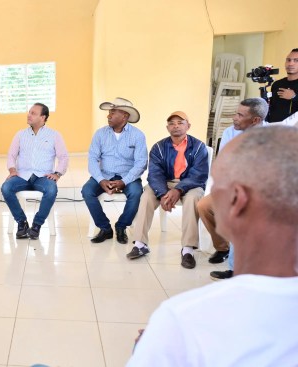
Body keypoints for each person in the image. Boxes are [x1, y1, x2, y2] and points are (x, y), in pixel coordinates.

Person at [128, 125, 298, 366]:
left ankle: (188, 248)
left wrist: (149, 348)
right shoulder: (159, 147)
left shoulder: (184, 321)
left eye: (217, 183)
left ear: (236, 201)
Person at [126, 111, 208, 269]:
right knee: (146, 197)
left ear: (188, 126)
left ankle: (188, 249)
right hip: (164, 183)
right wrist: (163, 193)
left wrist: (178, 190)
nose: (175, 126)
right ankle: (140, 244)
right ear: (167, 127)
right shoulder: (159, 147)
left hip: (190, 184)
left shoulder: (198, 147)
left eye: (180, 122)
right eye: (172, 123)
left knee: (192, 199)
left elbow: (199, 175)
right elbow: (155, 174)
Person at [197, 98, 268, 279]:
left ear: (255, 121)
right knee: (204, 206)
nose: (234, 118)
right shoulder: (230, 132)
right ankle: (224, 249)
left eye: (239, 115)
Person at [82, 97, 147, 244]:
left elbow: (141, 163)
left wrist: (124, 181)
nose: (108, 115)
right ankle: (105, 228)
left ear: (125, 115)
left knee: (136, 193)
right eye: (109, 112)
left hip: (127, 176)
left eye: (112, 112)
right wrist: (100, 180)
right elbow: (92, 158)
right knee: (87, 191)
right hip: (104, 174)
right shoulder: (100, 134)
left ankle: (121, 226)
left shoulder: (137, 135)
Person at [1, 103, 68, 240]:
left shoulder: (54, 135)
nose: (29, 115)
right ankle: (22, 222)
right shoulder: (20, 134)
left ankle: (37, 225)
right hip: (22, 175)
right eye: (29, 112)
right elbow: (11, 155)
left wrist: (57, 174)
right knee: (6, 187)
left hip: (43, 176)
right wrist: (12, 169)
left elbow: (64, 157)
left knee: (51, 190)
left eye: (33, 113)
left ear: (43, 117)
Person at [266, 48, 298, 123]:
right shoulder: (277, 84)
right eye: (288, 60)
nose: (290, 63)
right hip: (274, 128)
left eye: (296, 60)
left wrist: (294, 97)